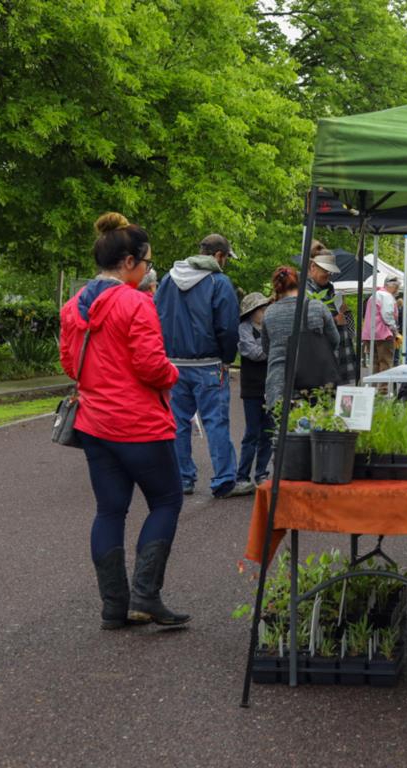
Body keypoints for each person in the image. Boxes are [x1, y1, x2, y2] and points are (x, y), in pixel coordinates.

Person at [59, 212, 188, 630]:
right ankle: (146, 595)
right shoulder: (136, 302)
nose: (149, 270)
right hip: (139, 424)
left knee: (110, 511)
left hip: (94, 424)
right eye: (148, 263)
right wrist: (173, 373)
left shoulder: (72, 307)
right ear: (130, 262)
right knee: (167, 500)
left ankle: (114, 606)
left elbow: (68, 363)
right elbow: (151, 367)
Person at [154, 234, 247, 498]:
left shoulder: (168, 280)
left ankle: (182, 477)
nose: (226, 262)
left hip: (173, 362)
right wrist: (227, 357)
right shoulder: (219, 282)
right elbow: (228, 327)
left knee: (177, 422)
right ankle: (224, 480)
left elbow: (155, 317)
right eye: (226, 257)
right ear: (218, 255)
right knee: (215, 421)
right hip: (208, 363)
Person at [263, 266, 339, 411]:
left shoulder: (269, 313)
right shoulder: (317, 307)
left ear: (277, 287)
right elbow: (334, 340)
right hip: (316, 381)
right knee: (317, 429)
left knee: (283, 430)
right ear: (299, 283)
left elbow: (266, 348)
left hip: (280, 383)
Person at [307, 243, 359, 384]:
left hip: (339, 355)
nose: (329, 275)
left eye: (330, 272)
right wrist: (335, 321)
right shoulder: (307, 293)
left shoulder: (330, 290)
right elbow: (310, 325)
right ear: (313, 267)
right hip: (323, 357)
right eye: (326, 271)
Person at [236, 292, 273, 487]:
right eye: (260, 308)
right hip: (251, 388)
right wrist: (270, 348)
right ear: (251, 312)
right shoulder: (244, 328)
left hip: (269, 386)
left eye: (265, 307)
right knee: (251, 433)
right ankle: (242, 475)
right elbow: (252, 352)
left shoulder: (269, 327)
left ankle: (261, 473)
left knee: (268, 432)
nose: (264, 311)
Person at [361, 276, 400, 379]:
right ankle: (383, 390)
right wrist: (395, 330)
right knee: (386, 363)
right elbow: (387, 315)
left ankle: (373, 389)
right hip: (383, 334)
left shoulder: (373, 295)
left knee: (374, 364)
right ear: (391, 286)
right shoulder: (386, 296)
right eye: (397, 287)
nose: (397, 291)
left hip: (370, 334)